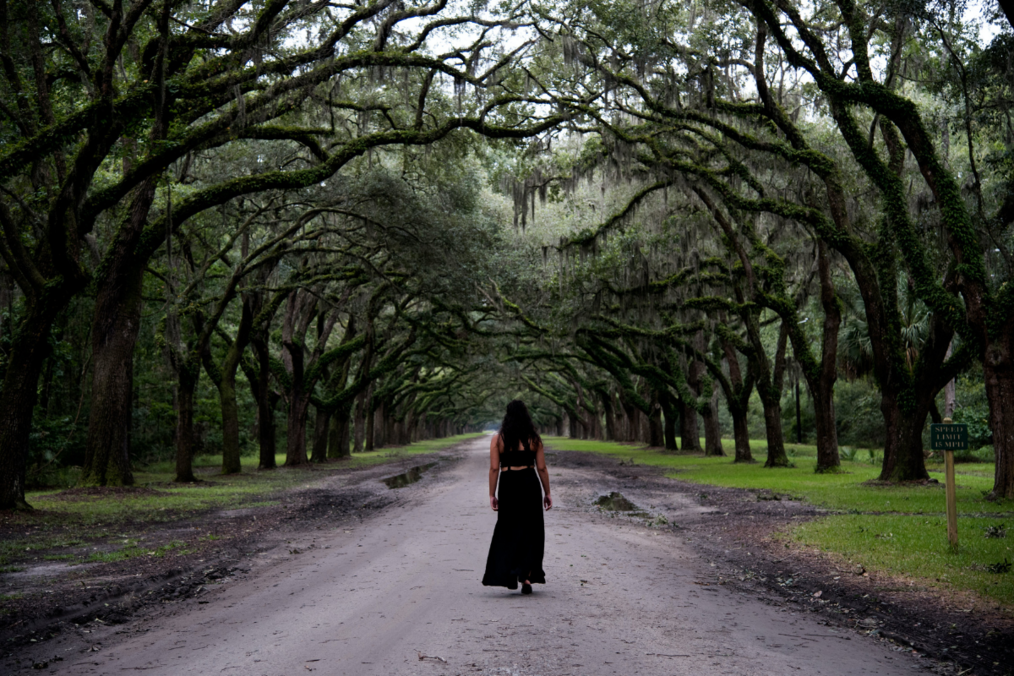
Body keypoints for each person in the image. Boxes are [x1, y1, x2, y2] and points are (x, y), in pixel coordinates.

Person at [481, 400, 552, 595]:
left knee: (509, 529)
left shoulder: (498, 439)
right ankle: (526, 576)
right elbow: (542, 468)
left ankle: (511, 572)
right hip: (529, 482)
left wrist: (492, 494)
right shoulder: (534, 439)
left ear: (507, 416)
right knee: (531, 529)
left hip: (509, 484)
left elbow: (494, 468)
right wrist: (547, 493)